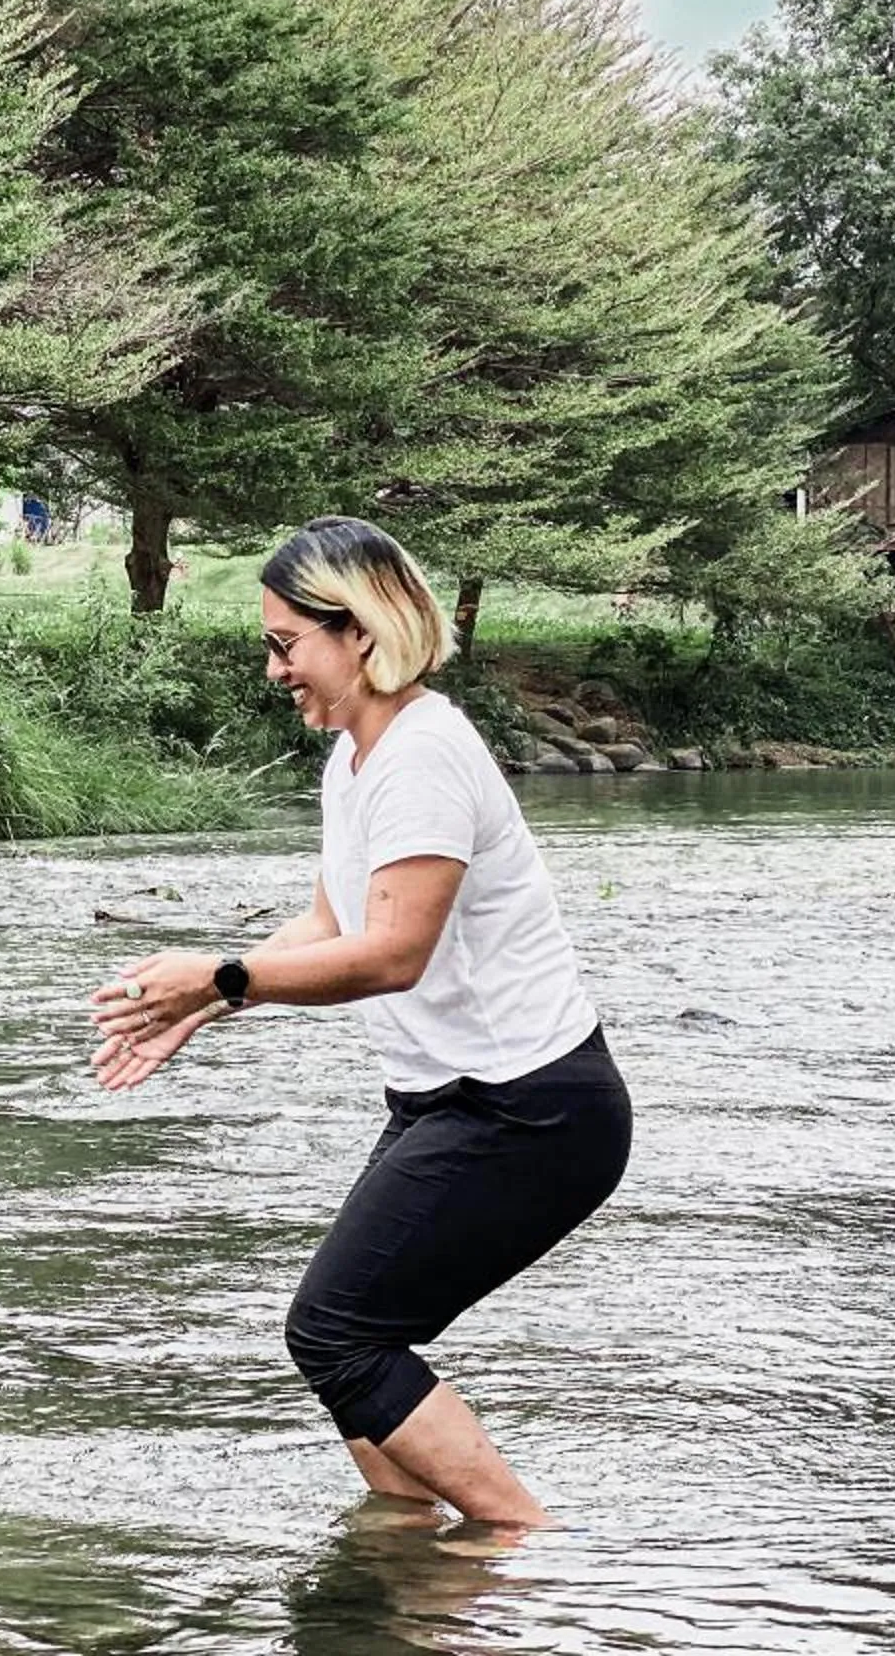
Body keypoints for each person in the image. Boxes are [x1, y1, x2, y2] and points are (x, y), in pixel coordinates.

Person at [87, 515, 630, 1529]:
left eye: (286, 643)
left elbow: (391, 952)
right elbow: (333, 921)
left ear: (362, 633)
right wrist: (204, 998)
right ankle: (416, 1567)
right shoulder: (356, 759)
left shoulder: (423, 752)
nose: (273, 668)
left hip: (531, 1108)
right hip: (453, 1100)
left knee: (337, 1331)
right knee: (347, 1340)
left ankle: (523, 1544)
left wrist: (227, 974)